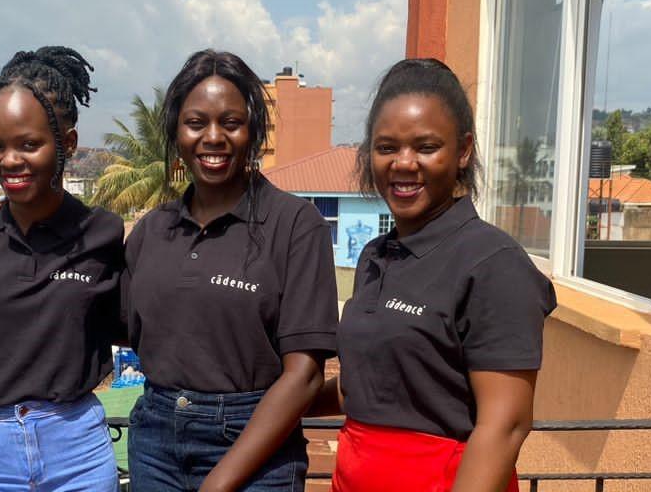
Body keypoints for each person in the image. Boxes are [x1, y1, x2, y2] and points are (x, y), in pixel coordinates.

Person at [309, 59, 557, 491]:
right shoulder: (375, 256)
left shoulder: (493, 263)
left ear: (462, 151)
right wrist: (269, 403)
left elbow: (506, 426)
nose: (404, 164)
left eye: (425, 147)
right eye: (387, 148)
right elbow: (361, 387)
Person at [122, 49, 340, 491]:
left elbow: (306, 374)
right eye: (196, 122)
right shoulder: (152, 230)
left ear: (253, 131)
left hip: (255, 442)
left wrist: (218, 482)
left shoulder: (295, 224)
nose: (213, 137)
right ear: (176, 132)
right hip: (155, 441)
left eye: (231, 123)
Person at [0, 46, 124, 491]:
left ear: (67, 143)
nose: (9, 161)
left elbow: (133, 324)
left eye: (29, 144)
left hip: (79, 448)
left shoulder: (102, 234)